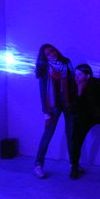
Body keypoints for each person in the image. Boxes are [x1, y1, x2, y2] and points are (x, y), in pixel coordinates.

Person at [33, 44, 77, 178]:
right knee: (48, 134)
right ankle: (38, 165)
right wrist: (46, 112)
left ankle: (74, 164)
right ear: (44, 57)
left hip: (68, 103)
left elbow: (73, 82)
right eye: (48, 53)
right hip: (53, 105)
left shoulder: (66, 62)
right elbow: (43, 91)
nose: (52, 53)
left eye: (52, 50)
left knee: (71, 134)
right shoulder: (45, 68)